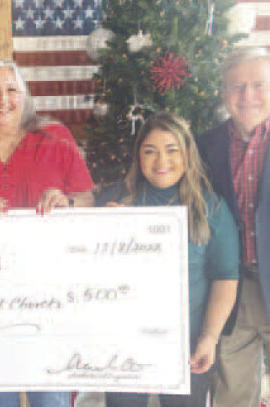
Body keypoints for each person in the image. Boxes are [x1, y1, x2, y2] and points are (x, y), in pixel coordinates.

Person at [0, 59, 94, 407]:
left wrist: (66, 202)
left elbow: (88, 200)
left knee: (51, 398)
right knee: (0, 399)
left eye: (11, 89)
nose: (2, 99)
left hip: (51, 298)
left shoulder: (56, 139)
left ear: (25, 97)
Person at [99, 112, 239, 407]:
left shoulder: (211, 208)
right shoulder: (116, 200)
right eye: (150, 151)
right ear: (138, 157)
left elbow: (225, 277)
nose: (161, 160)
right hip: (124, 343)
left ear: (187, 154)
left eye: (172, 150)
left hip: (187, 346)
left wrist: (209, 338)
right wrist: (104, 231)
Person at [197, 46, 270, 407]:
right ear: (223, 93)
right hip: (231, 290)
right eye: (237, 86)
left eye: (258, 84)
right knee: (233, 394)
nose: (248, 96)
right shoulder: (204, 147)